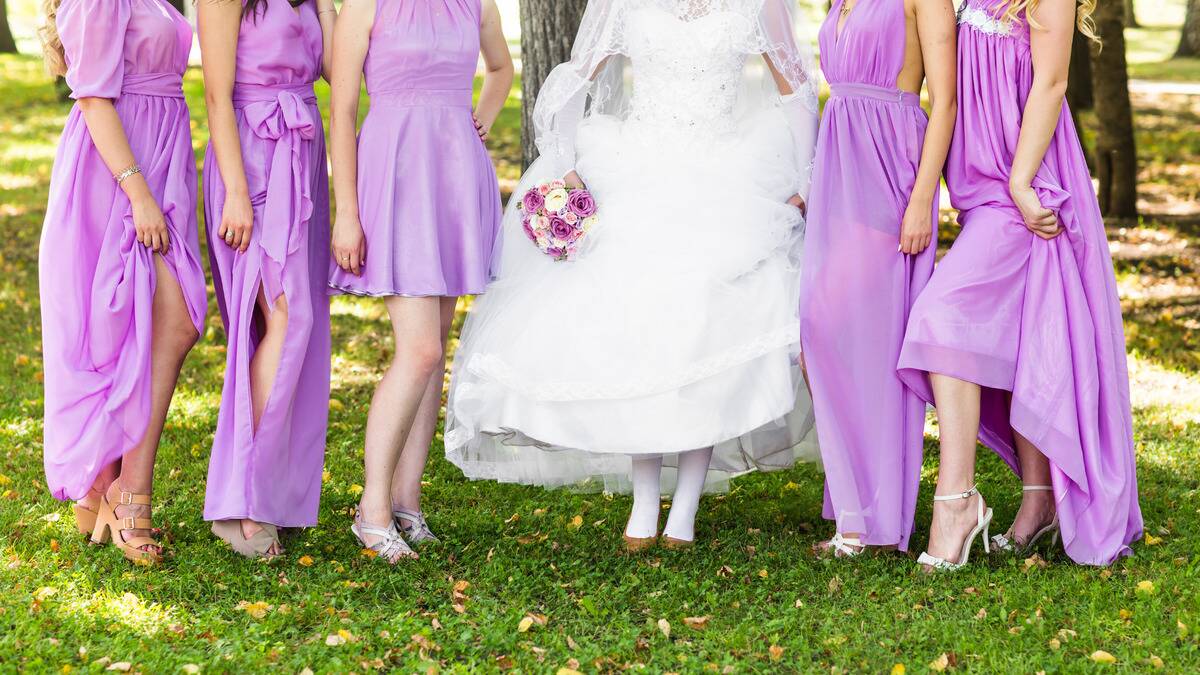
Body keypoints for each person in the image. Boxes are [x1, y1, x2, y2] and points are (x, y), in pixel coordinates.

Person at [445, 0, 820, 551]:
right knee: (640, 333)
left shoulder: (753, 5)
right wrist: (562, 158)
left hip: (723, 179)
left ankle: (685, 507)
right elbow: (575, 77)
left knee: (704, 332)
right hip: (636, 172)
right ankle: (645, 500)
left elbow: (797, 89)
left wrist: (806, 181)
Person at [898, 0, 1143, 569]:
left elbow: (1053, 81)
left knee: (943, 315)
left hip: (1027, 186)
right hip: (983, 191)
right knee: (1028, 338)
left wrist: (1021, 182)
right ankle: (1039, 506)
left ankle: (956, 501)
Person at [328, 0, 513, 563]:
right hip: (395, 173)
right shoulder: (365, 4)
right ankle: (372, 511)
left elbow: (502, 68)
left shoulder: (475, 3)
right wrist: (346, 211)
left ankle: (407, 504)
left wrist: (479, 114)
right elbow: (341, 111)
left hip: (454, 174)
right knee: (421, 350)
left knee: (434, 351)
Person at [38, 0, 207, 564]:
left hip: (161, 153)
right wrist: (137, 193)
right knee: (172, 321)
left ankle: (107, 488)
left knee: (154, 324)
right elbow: (91, 96)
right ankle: (127, 495)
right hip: (114, 170)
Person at [800, 0, 956, 558]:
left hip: (892, 164)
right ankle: (853, 505)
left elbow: (945, 101)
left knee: (873, 345)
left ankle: (873, 524)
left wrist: (922, 199)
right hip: (839, 160)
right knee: (821, 331)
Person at [198, 0, 336, 558]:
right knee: (285, 315)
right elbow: (214, 95)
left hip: (301, 153)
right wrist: (235, 190)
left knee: (297, 326)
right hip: (252, 160)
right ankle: (243, 502)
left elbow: (334, 68)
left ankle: (272, 493)